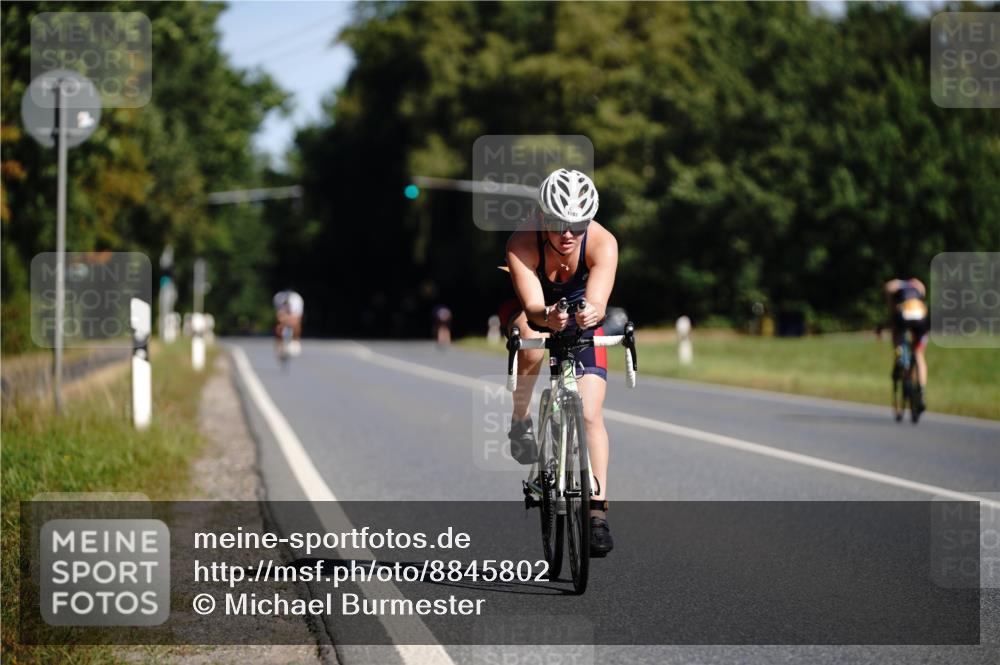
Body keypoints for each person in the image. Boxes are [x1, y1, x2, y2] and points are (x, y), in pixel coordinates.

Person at [498, 168, 618, 557]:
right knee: (531, 346)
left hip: (581, 316)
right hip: (534, 309)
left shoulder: (602, 243)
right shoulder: (522, 242)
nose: (567, 234)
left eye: (577, 225)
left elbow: (598, 302)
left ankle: (597, 514)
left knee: (589, 415)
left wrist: (592, 314)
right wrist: (545, 316)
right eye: (557, 224)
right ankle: (520, 421)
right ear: (542, 217)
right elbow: (533, 306)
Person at [884, 277, 929, 413]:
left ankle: (899, 355)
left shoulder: (892, 287)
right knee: (919, 354)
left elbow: (892, 312)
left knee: (897, 335)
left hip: (903, 317)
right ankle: (921, 391)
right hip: (921, 319)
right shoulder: (918, 285)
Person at [273, 289, 304, 356]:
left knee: (296, 325)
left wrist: (289, 320)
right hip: (284, 317)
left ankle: (295, 341)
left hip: (293, 317)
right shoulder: (278, 298)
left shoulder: (297, 299)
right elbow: (279, 315)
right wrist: (284, 320)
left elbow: (297, 317)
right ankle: (279, 345)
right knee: (279, 327)